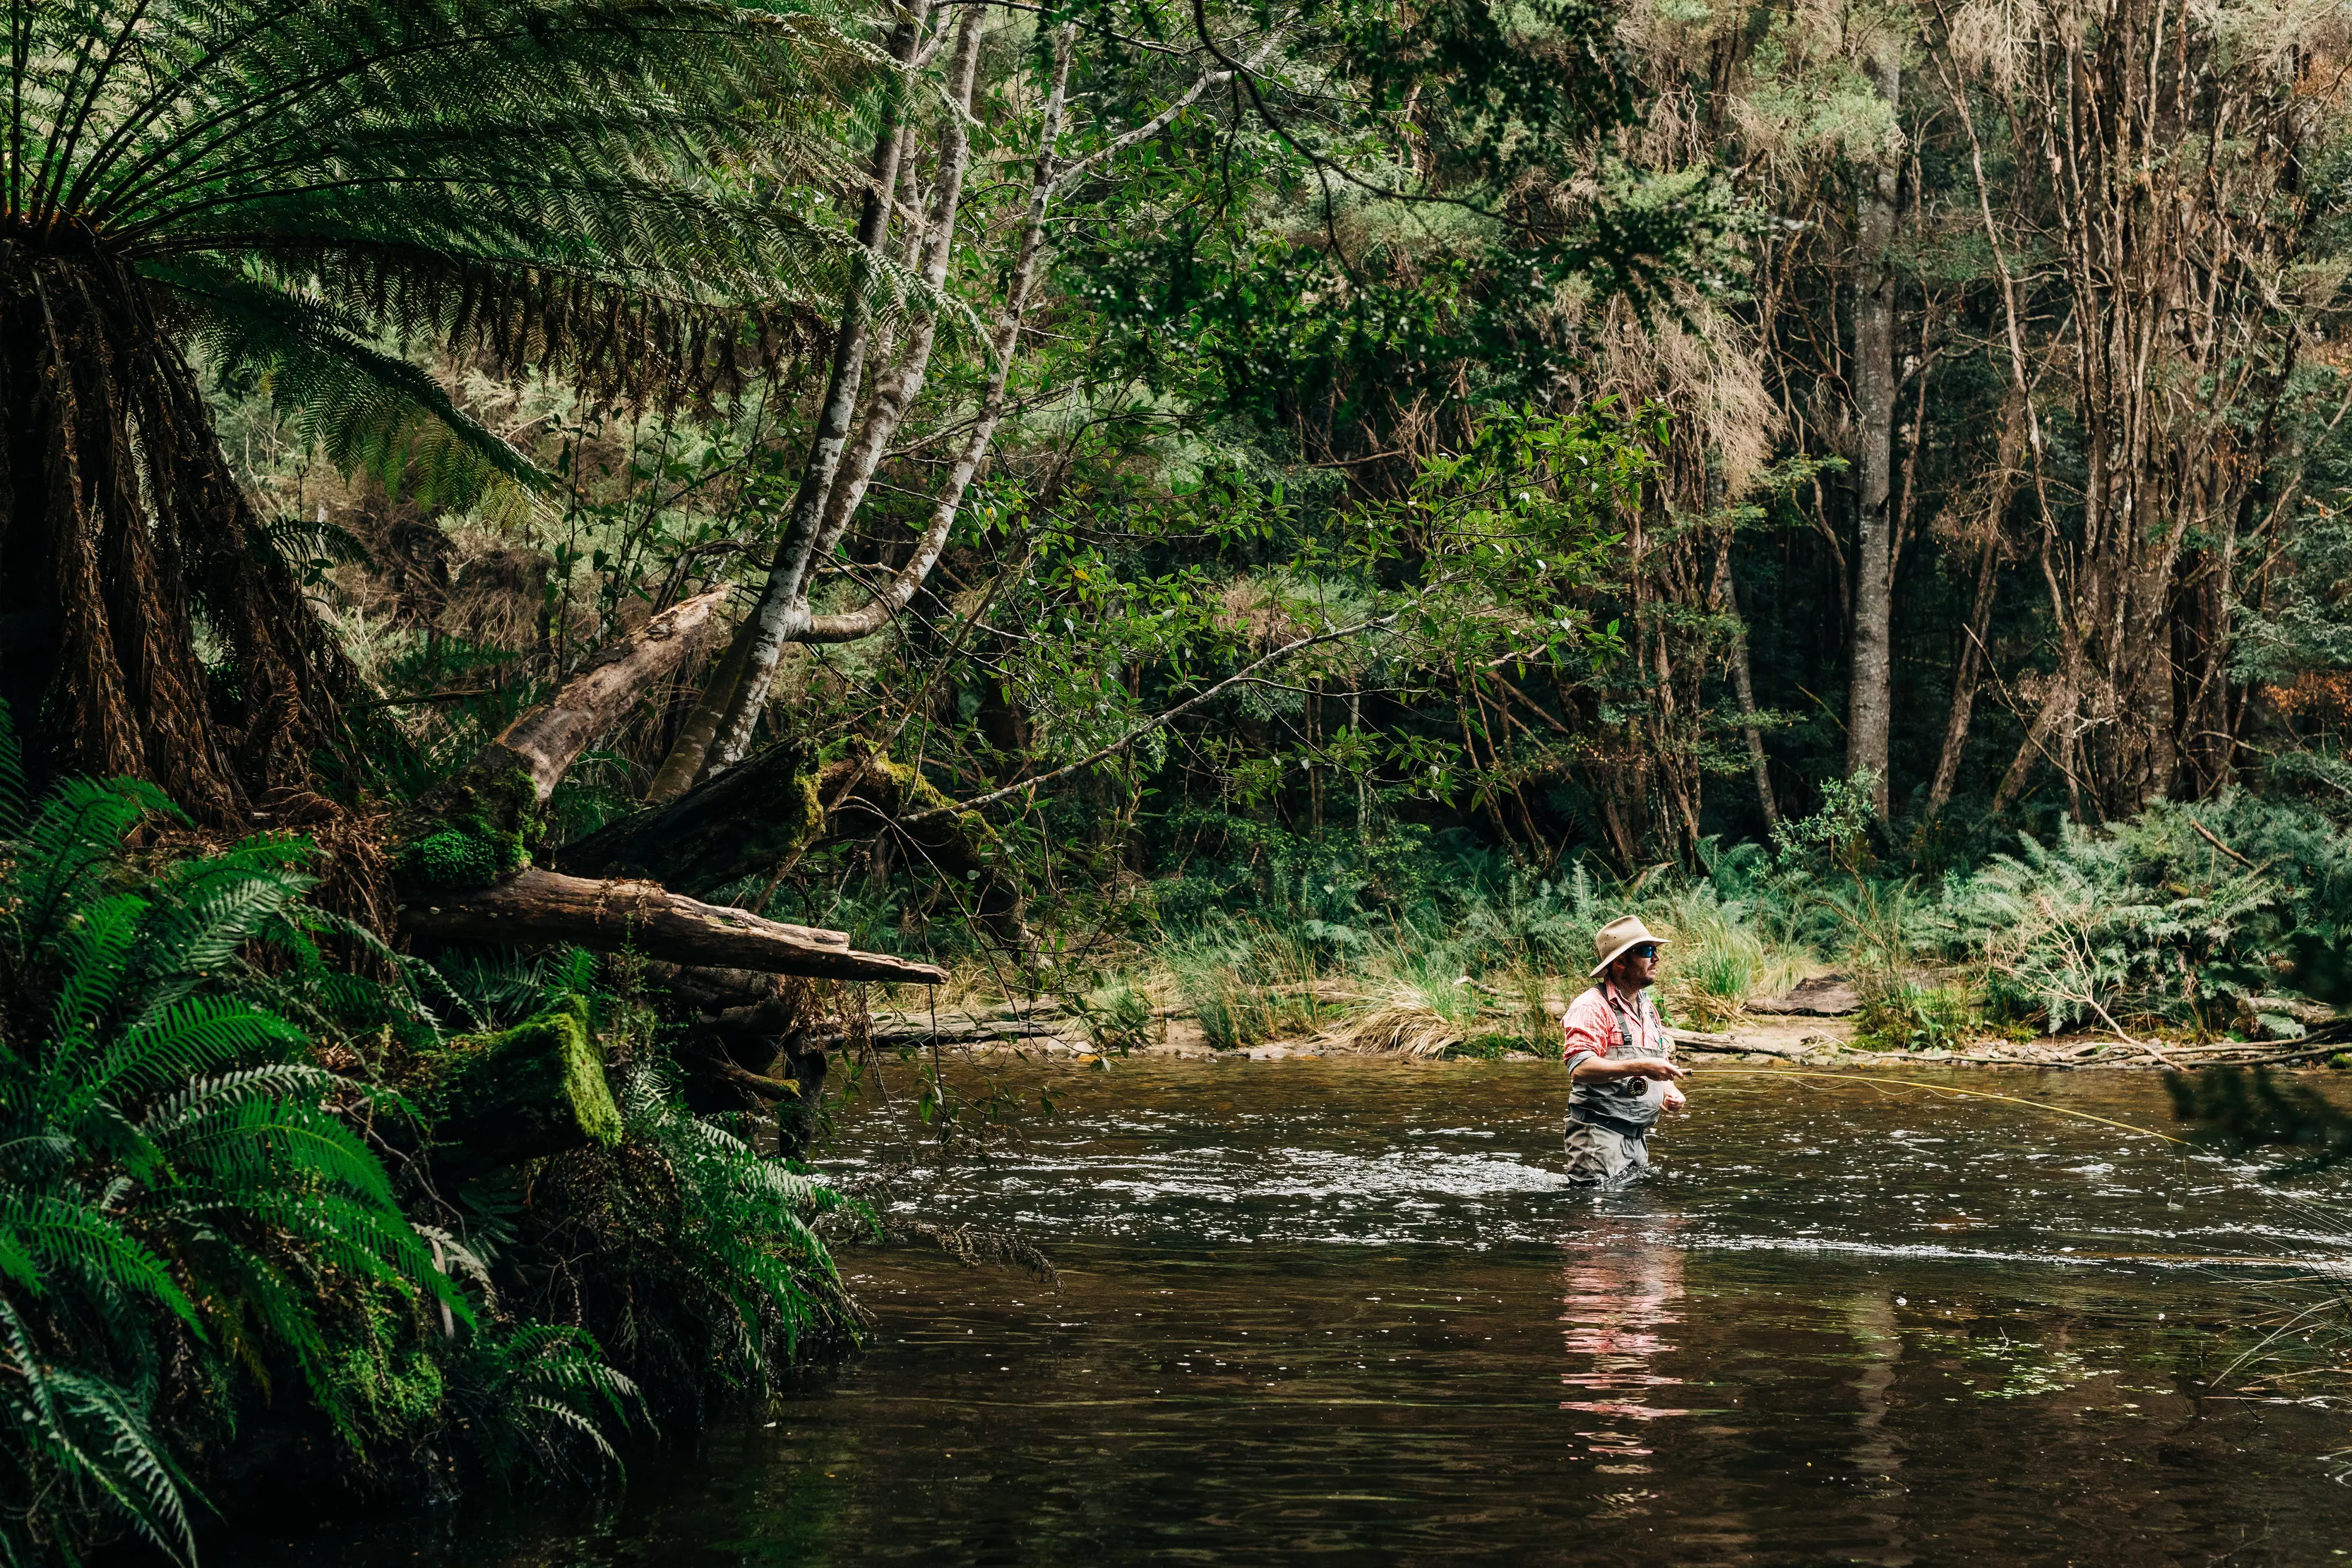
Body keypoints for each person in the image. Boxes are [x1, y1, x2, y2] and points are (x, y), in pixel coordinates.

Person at [1560, 916, 1688, 1185]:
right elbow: (1580, 1068)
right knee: (1599, 1221)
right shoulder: (1591, 1006)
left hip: (1637, 1141)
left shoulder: (1648, 1009)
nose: (1656, 959)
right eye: (1646, 951)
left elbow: (1657, 1066)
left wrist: (1670, 1093)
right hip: (1597, 1141)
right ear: (1619, 962)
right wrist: (1642, 1067)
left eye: (1655, 951)